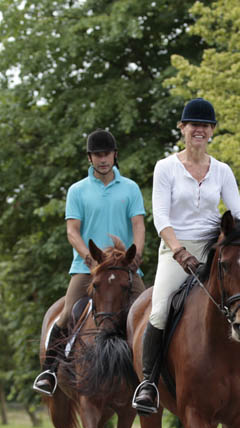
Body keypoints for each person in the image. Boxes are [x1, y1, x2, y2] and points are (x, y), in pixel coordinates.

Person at [131, 99, 240, 414]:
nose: (199, 130)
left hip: (215, 248)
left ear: (211, 131)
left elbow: (238, 214)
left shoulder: (222, 170)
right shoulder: (165, 168)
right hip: (175, 250)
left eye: (205, 126)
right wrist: (179, 251)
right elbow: (161, 219)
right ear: (183, 128)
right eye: (193, 125)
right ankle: (149, 384)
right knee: (160, 310)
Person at [32, 129, 146, 395]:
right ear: (90, 158)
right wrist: (87, 255)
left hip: (124, 269)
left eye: (106, 154)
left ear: (115, 155)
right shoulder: (77, 191)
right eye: (97, 155)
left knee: (148, 318)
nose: (102, 159)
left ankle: (150, 378)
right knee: (66, 314)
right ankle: (49, 372)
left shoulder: (130, 188)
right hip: (87, 269)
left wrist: (136, 253)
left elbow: (138, 225)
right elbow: (72, 230)